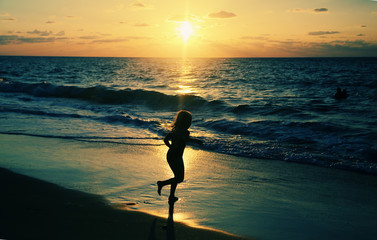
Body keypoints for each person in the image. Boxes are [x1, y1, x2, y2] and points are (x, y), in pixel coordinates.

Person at [157, 110, 203, 204]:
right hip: (176, 157)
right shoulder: (185, 132)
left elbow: (166, 140)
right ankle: (162, 183)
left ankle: (171, 196)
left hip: (171, 155)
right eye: (189, 122)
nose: (190, 124)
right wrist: (197, 141)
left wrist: (171, 147)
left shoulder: (174, 130)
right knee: (179, 178)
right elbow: (186, 139)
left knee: (176, 177)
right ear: (185, 122)